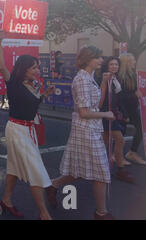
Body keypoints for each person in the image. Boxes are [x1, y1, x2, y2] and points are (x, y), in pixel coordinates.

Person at [48, 46, 116, 220]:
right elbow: (84, 112)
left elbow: (96, 105)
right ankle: (101, 213)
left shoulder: (90, 77)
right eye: (98, 57)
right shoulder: (82, 80)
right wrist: (106, 115)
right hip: (86, 130)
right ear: (88, 59)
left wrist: (104, 83)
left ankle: (53, 184)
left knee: (78, 170)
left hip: (91, 129)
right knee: (101, 171)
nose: (102, 60)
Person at [0, 30, 55, 220]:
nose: (36, 70)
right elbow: (1, 65)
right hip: (16, 129)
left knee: (13, 168)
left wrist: (45, 95)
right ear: (24, 68)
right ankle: (44, 213)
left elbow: (33, 105)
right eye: (33, 68)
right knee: (36, 170)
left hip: (28, 131)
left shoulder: (34, 85)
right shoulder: (13, 82)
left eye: (37, 67)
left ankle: (6, 200)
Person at [98, 57, 135, 183]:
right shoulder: (102, 79)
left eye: (116, 64)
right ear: (106, 66)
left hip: (112, 114)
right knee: (119, 140)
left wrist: (122, 113)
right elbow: (100, 100)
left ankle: (101, 167)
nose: (114, 66)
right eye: (111, 64)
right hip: (105, 114)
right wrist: (106, 112)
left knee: (105, 142)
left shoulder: (116, 80)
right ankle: (120, 169)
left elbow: (118, 99)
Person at [118, 53, 146, 165]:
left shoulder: (133, 75)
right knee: (120, 132)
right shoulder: (120, 77)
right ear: (127, 63)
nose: (135, 62)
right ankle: (116, 155)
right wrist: (135, 95)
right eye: (133, 60)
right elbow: (121, 96)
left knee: (140, 129)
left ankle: (132, 152)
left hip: (133, 109)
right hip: (124, 110)